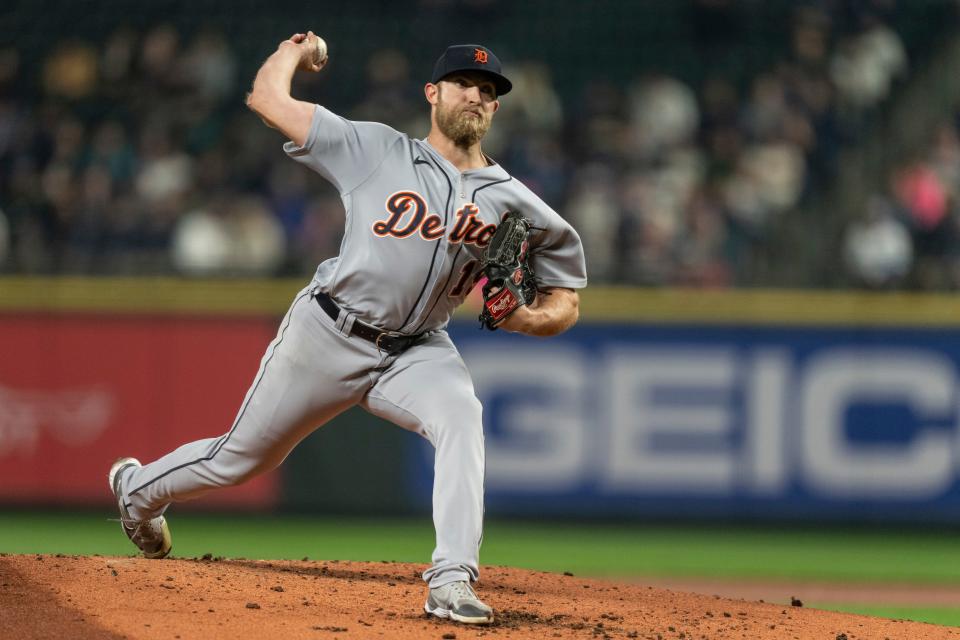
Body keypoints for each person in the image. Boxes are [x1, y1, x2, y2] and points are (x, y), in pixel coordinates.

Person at [108, 33, 587, 625]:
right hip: (329, 331)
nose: (477, 95)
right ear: (433, 93)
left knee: (462, 416)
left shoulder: (517, 203)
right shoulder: (375, 149)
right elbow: (266, 99)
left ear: (496, 108)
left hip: (419, 349)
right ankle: (137, 491)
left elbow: (566, 296)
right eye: (465, 83)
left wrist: (532, 318)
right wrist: (291, 52)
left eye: (488, 91)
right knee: (241, 459)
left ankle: (452, 579)